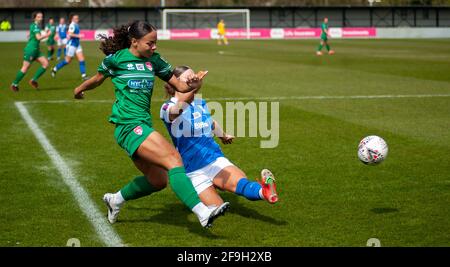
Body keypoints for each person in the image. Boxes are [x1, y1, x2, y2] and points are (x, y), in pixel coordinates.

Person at [72, 20, 229, 228]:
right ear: (134, 41)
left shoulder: (154, 61)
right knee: (174, 158)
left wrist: (194, 86)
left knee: (158, 180)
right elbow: (98, 79)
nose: (154, 47)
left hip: (143, 125)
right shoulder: (116, 60)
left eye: (155, 42)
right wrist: (79, 89)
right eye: (150, 43)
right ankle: (203, 212)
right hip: (128, 125)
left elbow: (180, 87)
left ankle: (115, 199)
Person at [160, 66, 279, 207]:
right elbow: (177, 110)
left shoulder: (199, 103)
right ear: (176, 82)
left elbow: (210, 122)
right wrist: (193, 89)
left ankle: (265, 191)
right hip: (193, 169)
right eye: (189, 76)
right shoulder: (167, 107)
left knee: (242, 185)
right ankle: (213, 187)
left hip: (214, 159)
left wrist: (223, 135)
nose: (194, 77)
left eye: (194, 75)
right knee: (217, 207)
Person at [10, 11, 50, 92]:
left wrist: (30, 35)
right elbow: (38, 37)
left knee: (45, 64)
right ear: (35, 18)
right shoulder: (35, 26)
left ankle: (33, 80)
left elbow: (31, 34)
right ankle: (14, 84)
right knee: (25, 68)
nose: (41, 18)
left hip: (36, 50)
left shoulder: (35, 26)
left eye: (41, 16)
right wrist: (47, 35)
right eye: (39, 17)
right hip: (31, 50)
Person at [51, 14, 88, 80]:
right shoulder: (72, 25)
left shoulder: (76, 25)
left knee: (82, 59)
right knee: (67, 61)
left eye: (77, 18)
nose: (77, 19)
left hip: (77, 44)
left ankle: (84, 75)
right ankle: (55, 69)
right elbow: (70, 34)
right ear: (72, 19)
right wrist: (78, 36)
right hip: (72, 45)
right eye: (76, 18)